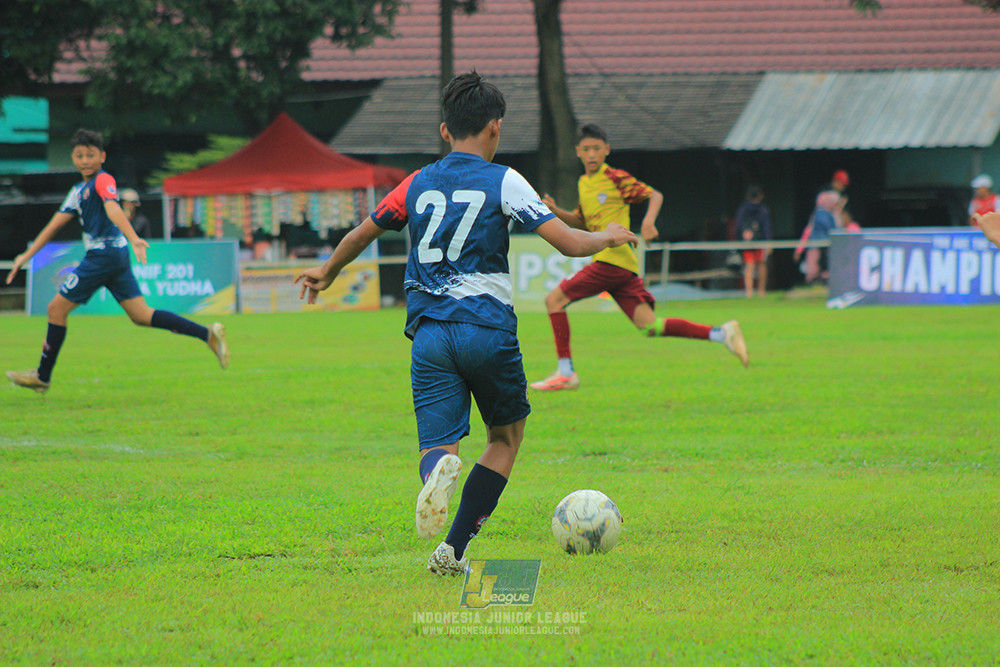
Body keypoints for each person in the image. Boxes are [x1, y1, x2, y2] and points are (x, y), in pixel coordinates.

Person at [294, 72, 637, 576]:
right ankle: (451, 549)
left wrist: (327, 270)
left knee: (438, 445)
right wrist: (606, 235)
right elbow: (566, 242)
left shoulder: (416, 182)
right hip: (486, 329)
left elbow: (361, 232)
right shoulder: (504, 179)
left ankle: (437, 474)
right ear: (495, 128)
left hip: (429, 333)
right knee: (505, 439)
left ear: (443, 129)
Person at [5, 129, 229, 394]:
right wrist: (25, 256)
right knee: (141, 315)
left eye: (90, 155)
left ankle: (42, 377)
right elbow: (53, 226)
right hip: (114, 258)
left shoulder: (103, 180)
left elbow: (113, 207)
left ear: (102, 156)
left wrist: (134, 237)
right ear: (73, 158)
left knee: (56, 310)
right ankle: (207, 335)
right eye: (79, 156)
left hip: (104, 255)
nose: (85, 160)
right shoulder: (78, 191)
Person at [529, 123, 748, 392]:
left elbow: (654, 195)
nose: (592, 154)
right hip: (622, 267)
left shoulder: (615, 177)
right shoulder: (584, 183)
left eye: (597, 148)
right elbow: (584, 223)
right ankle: (721, 333)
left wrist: (648, 222)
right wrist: (554, 211)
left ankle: (565, 372)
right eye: (586, 149)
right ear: (578, 152)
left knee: (554, 300)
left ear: (607, 150)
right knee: (650, 326)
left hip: (612, 260)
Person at [734, 185, 772, 298]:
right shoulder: (763, 209)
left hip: (747, 242)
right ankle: (761, 292)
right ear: (761, 196)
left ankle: (749, 292)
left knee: (749, 266)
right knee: (761, 266)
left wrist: (739, 240)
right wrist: (768, 242)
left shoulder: (742, 209)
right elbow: (766, 227)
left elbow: (738, 226)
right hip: (761, 242)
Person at [794, 190, 839, 284]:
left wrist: (799, 249)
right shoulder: (824, 215)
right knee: (819, 267)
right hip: (822, 246)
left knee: (816, 267)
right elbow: (833, 229)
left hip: (817, 246)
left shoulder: (819, 215)